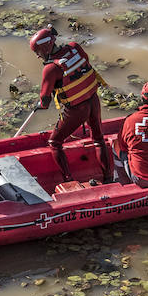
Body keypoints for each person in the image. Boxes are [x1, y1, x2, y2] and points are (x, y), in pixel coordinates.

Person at [29, 23, 113, 184]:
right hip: (93, 99)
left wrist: (41, 104)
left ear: (45, 48)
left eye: (38, 52)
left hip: (76, 110)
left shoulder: (50, 69)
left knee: (54, 142)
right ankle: (108, 178)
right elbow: (85, 63)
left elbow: (45, 101)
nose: (38, 56)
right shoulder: (74, 47)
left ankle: (69, 180)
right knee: (98, 139)